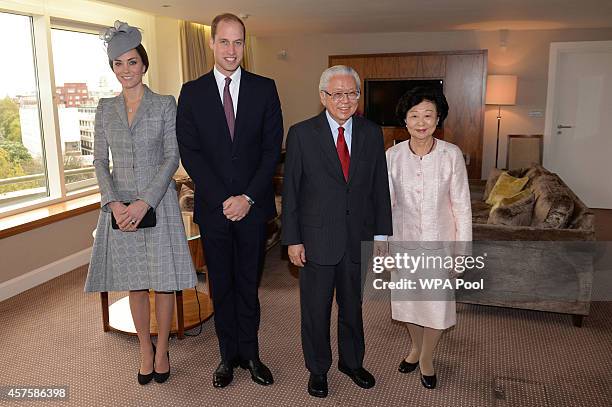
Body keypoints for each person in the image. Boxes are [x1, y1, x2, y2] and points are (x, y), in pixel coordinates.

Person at [85, 21, 197, 385]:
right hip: (119, 207)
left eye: (132, 62)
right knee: (135, 283)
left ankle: (162, 349)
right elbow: (100, 160)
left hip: (158, 204)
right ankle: (144, 350)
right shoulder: (104, 109)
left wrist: (144, 201)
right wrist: (115, 204)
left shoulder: (165, 104)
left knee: (163, 283)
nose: (126, 70)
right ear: (112, 68)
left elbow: (171, 156)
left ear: (143, 64)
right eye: (118, 63)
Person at [176, 13, 283, 389]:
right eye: (224, 41)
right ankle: (226, 357)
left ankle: (251, 355)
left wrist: (248, 197)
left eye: (238, 42)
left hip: (253, 210)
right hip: (215, 209)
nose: (231, 50)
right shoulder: (191, 92)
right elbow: (190, 152)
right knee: (220, 285)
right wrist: (225, 198)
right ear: (211, 43)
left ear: (244, 44)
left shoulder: (264, 88)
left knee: (247, 284)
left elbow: (272, 150)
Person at [281, 65, 392, 398]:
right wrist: (293, 238)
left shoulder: (372, 132)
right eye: (337, 93)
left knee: (353, 306)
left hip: (358, 237)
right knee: (315, 309)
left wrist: (383, 236)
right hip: (315, 239)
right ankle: (318, 368)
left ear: (359, 96)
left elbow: (379, 188)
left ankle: (352, 362)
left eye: (352, 93)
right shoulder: (301, 134)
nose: (345, 101)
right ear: (322, 96)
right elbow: (292, 192)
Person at [384, 86, 472, 389]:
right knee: (408, 302)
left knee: (436, 304)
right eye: (414, 115)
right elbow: (385, 205)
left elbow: (462, 205)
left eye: (428, 115)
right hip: (403, 241)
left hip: (441, 243)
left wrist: (462, 251)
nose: (421, 122)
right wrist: (382, 244)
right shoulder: (392, 156)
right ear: (405, 121)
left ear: (438, 119)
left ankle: (427, 357)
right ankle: (414, 347)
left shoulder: (451, 155)